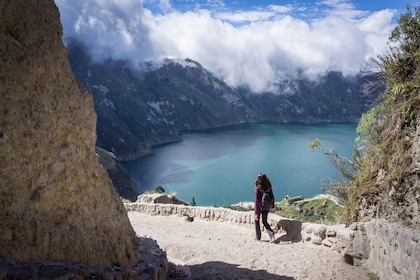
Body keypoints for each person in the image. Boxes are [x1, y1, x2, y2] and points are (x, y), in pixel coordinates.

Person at [254, 173, 276, 242]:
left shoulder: (258, 188)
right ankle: (271, 235)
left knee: (256, 221)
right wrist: (272, 206)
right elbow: (272, 196)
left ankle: (258, 237)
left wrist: (256, 213)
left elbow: (257, 201)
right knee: (264, 221)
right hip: (266, 207)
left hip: (260, 207)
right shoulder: (268, 186)